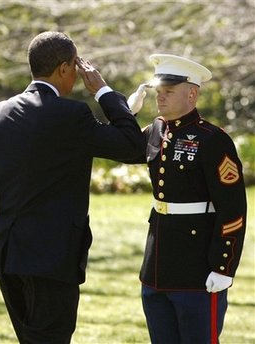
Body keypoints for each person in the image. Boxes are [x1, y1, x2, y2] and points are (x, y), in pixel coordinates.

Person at [0, 31, 145, 343]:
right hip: (53, 258)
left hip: (7, 258)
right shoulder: (73, 115)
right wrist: (104, 91)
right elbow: (133, 146)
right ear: (65, 68)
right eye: (76, 69)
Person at [127, 54, 247, 344]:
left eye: (168, 92)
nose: (160, 98)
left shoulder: (212, 139)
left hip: (197, 268)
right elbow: (120, 149)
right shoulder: (155, 130)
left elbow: (232, 208)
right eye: (158, 92)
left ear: (192, 93)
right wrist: (125, 116)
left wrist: (223, 266)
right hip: (157, 266)